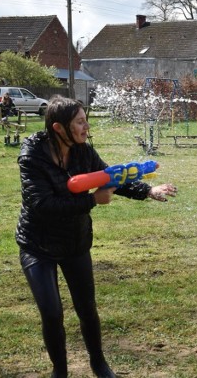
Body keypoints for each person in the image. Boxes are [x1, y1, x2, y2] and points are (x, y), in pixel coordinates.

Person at [15, 97, 177, 378]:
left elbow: (111, 179)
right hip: (37, 245)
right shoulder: (33, 157)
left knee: (87, 309)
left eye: (85, 119)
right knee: (52, 314)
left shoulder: (83, 152)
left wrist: (147, 190)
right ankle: (60, 371)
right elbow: (44, 205)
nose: (86, 127)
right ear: (58, 127)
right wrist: (91, 201)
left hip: (75, 242)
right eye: (79, 121)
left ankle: (99, 364)